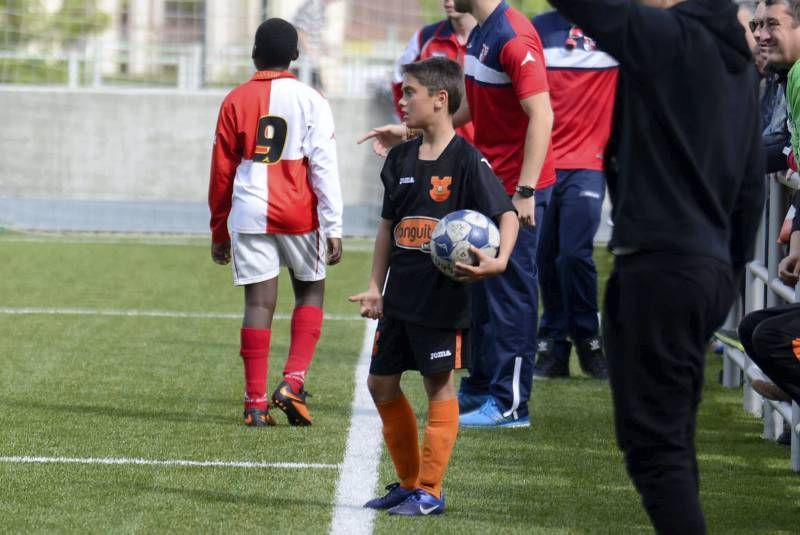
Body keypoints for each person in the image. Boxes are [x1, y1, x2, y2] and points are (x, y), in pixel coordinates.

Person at [547, 0, 764, 533]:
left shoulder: (671, 38)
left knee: (656, 450)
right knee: (672, 442)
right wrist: (726, 276)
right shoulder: (737, 66)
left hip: (661, 269)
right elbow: (752, 188)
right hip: (705, 270)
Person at [362, 0, 556, 428]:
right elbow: (475, 109)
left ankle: (511, 404)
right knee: (479, 291)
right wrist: (411, 130)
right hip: (490, 182)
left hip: (517, 189)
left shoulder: (514, 35)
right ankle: (484, 386)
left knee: (510, 295)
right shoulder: (482, 33)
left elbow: (542, 114)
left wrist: (524, 190)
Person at [349, 57, 518, 515]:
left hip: (443, 300)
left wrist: (499, 261)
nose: (401, 101)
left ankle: (431, 490)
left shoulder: (466, 160)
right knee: (380, 383)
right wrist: (374, 285)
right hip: (399, 296)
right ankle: (408, 483)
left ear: (440, 100)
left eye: (409, 93)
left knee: (437, 387)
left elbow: (506, 214)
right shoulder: (401, 157)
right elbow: (389, 227)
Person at [208, 18, 343, 427]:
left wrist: (218, 228)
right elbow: (323, 165)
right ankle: (293, 382)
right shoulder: (312, 99)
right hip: (299, 212)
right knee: (310, 292)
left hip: (250, 211)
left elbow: (221, 172)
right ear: (296, 56)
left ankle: (254, 404)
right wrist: (333, 225)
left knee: (258, 303)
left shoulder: (234, 100)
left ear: (254, 53)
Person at [531, 10, 618, 380]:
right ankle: (554, 345)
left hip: (590, 161)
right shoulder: (538, 28)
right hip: (542, 161)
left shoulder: (614, 21)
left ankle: (588, 338)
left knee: (574, 253)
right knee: (545, 255)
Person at [390, 0, 477, 142]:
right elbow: (398, 81)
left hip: (479, 150)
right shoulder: (424, 37)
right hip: (432, 148)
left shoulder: (491, 40)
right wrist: (409, 129)